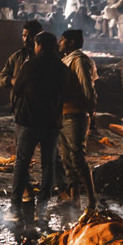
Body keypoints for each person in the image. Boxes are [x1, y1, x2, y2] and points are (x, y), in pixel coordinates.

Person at [9, 31, 73, 223]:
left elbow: (17, 89)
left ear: (39, 46)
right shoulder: (63, 69)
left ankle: (15, 209)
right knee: (48, 165)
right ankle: (42, 210)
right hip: (52, 123)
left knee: (21, 163)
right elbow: (67, 94)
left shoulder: (29, 66)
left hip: (29, 121)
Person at [58, 29, 99, 210]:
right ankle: (75, 200)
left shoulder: (79, 61)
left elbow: (87, 88)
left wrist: (91, 111)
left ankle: (91, 201)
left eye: (63, 40)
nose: (60, 43)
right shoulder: (67, 60)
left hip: (76, 115)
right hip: (64, 115)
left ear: (71, 42)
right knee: (68, 160)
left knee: (78, 158)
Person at [0, 20, 43, 95]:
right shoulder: (17, 57)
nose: (25, 39)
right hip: (19, 105)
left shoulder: (45, 58)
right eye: (24, 36)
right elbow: (2, 77)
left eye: (29, 37)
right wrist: (11, 80)